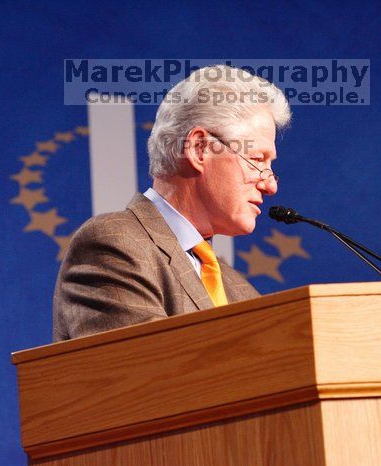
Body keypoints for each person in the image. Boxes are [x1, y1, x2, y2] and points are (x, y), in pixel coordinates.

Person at [53, 65, 292, 341]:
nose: (270, 185)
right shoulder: (114, 245)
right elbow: (146, 374)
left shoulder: (241, 291)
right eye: (258, 160)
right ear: (200, 149)